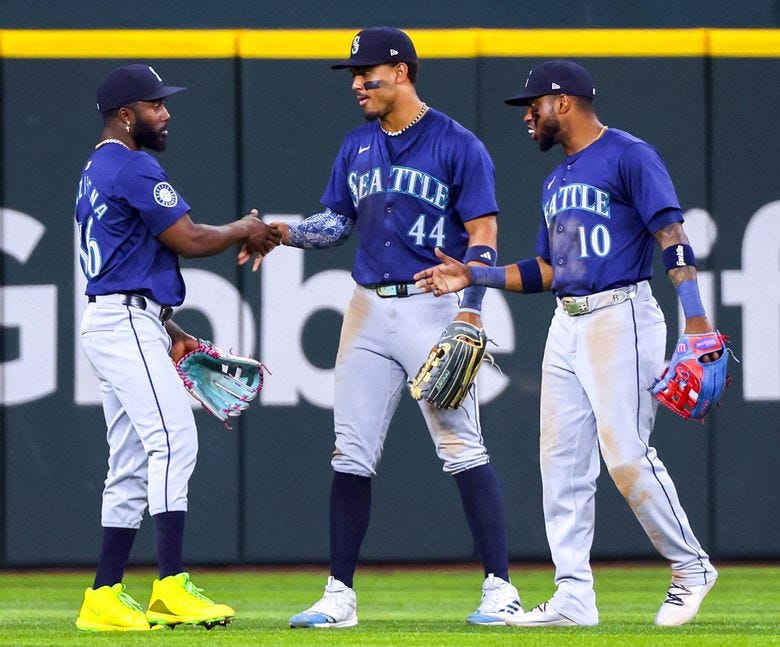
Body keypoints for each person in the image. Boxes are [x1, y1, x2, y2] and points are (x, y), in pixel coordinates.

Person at [413, 60, 719, 628]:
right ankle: (573, 595)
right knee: (560, 465)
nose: (528, 116)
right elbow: (550, 271)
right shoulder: (556, 179)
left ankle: (691, 567)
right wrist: (473, 276)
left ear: (566, 102)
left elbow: (671, 236)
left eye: (534, 105)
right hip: (567, 321)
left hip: (619, 313)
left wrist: (696, 320)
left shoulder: (630, 155)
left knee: (626, 454)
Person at [241, 27, 522, 628]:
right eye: (352, 74)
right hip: (368, 308)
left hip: (434, 305)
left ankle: (500, 587)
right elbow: (336, 223)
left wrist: (471, 309)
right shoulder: (356, 145)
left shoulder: (457, 144)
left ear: (402, 71)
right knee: (351, 453)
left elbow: (484, 234)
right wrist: (283, 233)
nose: (357, 83)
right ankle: (338, 595)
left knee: (461, 446)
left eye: (367, 72)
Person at [74, 63, 280, 632]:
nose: (165, 113)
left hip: (123, 318)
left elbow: (124, 261)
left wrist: (168, 328)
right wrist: (244, 229)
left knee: (132, 461)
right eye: (155, 104)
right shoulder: (134, 164)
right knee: (174, 438)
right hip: (124, 322)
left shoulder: (95, 168)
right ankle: (168, 586)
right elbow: (187, 239)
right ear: (125, 114)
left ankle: (104, 598)